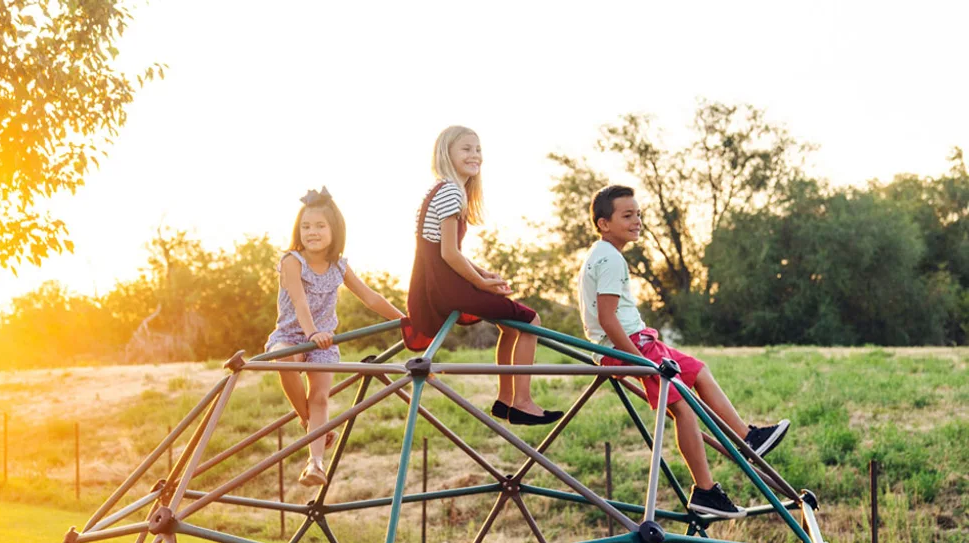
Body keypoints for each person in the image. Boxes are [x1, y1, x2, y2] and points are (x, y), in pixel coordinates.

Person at [578, 185, 789, 518]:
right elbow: (607, 318)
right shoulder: (610, 259)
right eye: (627, 215)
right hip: (629, 349)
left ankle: (747, 438)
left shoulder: (602, 254)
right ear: (604, 223)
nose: (637, 221)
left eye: (639, 214)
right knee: (684, 409)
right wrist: (637, 358)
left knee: (698, 374)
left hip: (635, 344)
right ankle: (706, 489)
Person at [405, 125, 563, 426]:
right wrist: (479, 283)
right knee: (531, 321)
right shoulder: (451, 191)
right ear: (446, 153)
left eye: (478, 149)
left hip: (437, 284)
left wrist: (483, 273)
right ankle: (523, 402)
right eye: (466, 149)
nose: (474, 155)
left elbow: (446, 250)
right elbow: (448, 254)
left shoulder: (440, 190)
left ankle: (506, 401)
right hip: (446, 287)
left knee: (511, 327)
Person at [266, 188, 405, 486]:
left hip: (324, 341)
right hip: (292, 335)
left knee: (320, 396)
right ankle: (307, 422)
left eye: (319, 226)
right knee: (283, 358)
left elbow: (371, 298)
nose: (312, 232)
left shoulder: (340, 266)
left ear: (334, 230)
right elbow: (300, 302)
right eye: (306, 227)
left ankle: (315, 464)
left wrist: (404, 320)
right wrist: (311, 332)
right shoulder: (292, 261)